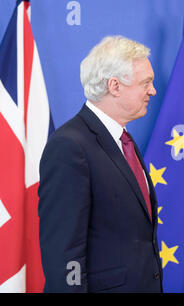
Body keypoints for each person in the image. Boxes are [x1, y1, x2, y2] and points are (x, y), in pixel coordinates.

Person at [38, 36, 162, 292]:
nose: (153, 91)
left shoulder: (122, 140)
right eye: (146, 83)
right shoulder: (70, 146)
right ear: (114, 86)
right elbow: (64, 255)